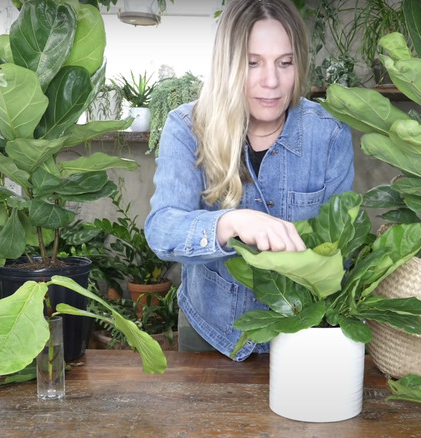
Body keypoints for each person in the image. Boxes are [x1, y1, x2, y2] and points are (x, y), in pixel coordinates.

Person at [144, 0, 354, 360]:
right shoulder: (187, 128)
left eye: (284, 63)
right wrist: (232, 221)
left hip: (299, 333)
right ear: (227, 64)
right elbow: (162, 230)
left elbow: (340, 250)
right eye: (252, 62)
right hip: (209, 330)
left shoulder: (329, 136)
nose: (271, 82)